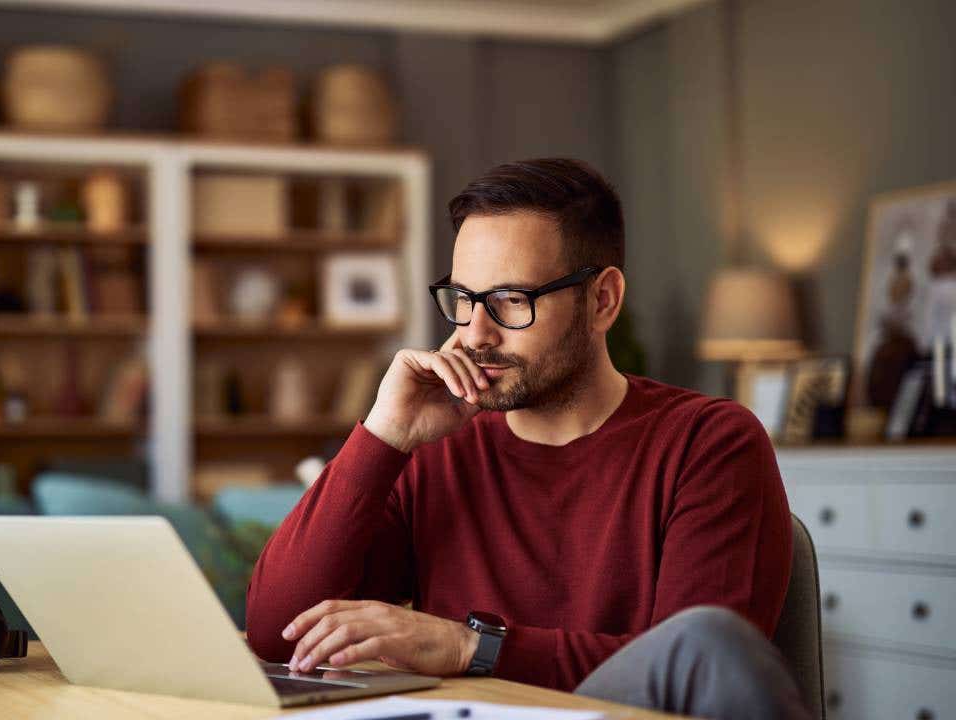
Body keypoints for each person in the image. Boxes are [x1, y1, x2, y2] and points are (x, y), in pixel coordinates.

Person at [244, 159, 811, 720]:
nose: (475, 334)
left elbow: (701, 666)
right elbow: (276, 634)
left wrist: (472, 648)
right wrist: (383, 435)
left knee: (709, 639)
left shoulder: (708, 443)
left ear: (603, 300)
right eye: (463, 299)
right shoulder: (436, 450)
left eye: (512, 300)